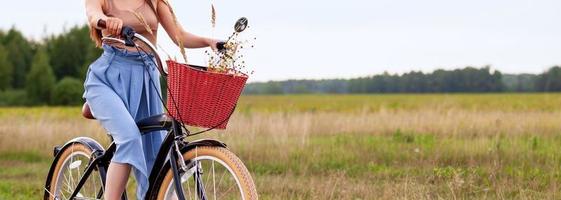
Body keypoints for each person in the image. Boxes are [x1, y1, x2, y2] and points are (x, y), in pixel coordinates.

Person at [83, 0, 219, 199]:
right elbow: (93, 16)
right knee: (129, 138)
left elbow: (179, 35)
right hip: (109, 79)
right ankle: (99, 102)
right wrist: (106, 21)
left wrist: (209, 41)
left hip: (147, 82)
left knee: (156, 160)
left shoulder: (154, 1)